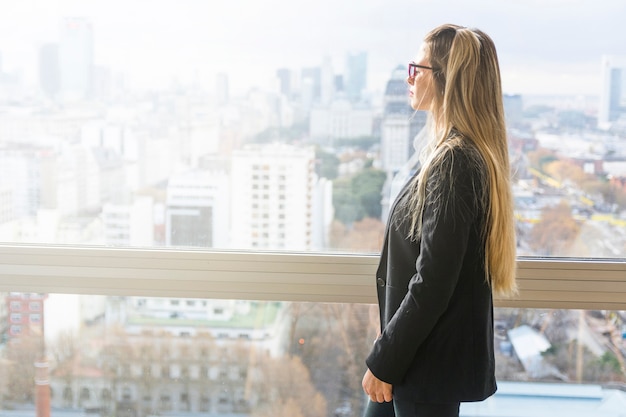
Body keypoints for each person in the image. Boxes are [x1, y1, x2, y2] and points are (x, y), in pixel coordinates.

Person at [361, 23, 517, 417]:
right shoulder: (449, 154)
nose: (408, 76)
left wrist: (385, 358)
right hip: (414, 360)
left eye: (418, 67)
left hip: (423, 364)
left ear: (448, 79)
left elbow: (432, 281)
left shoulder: (455, 163)